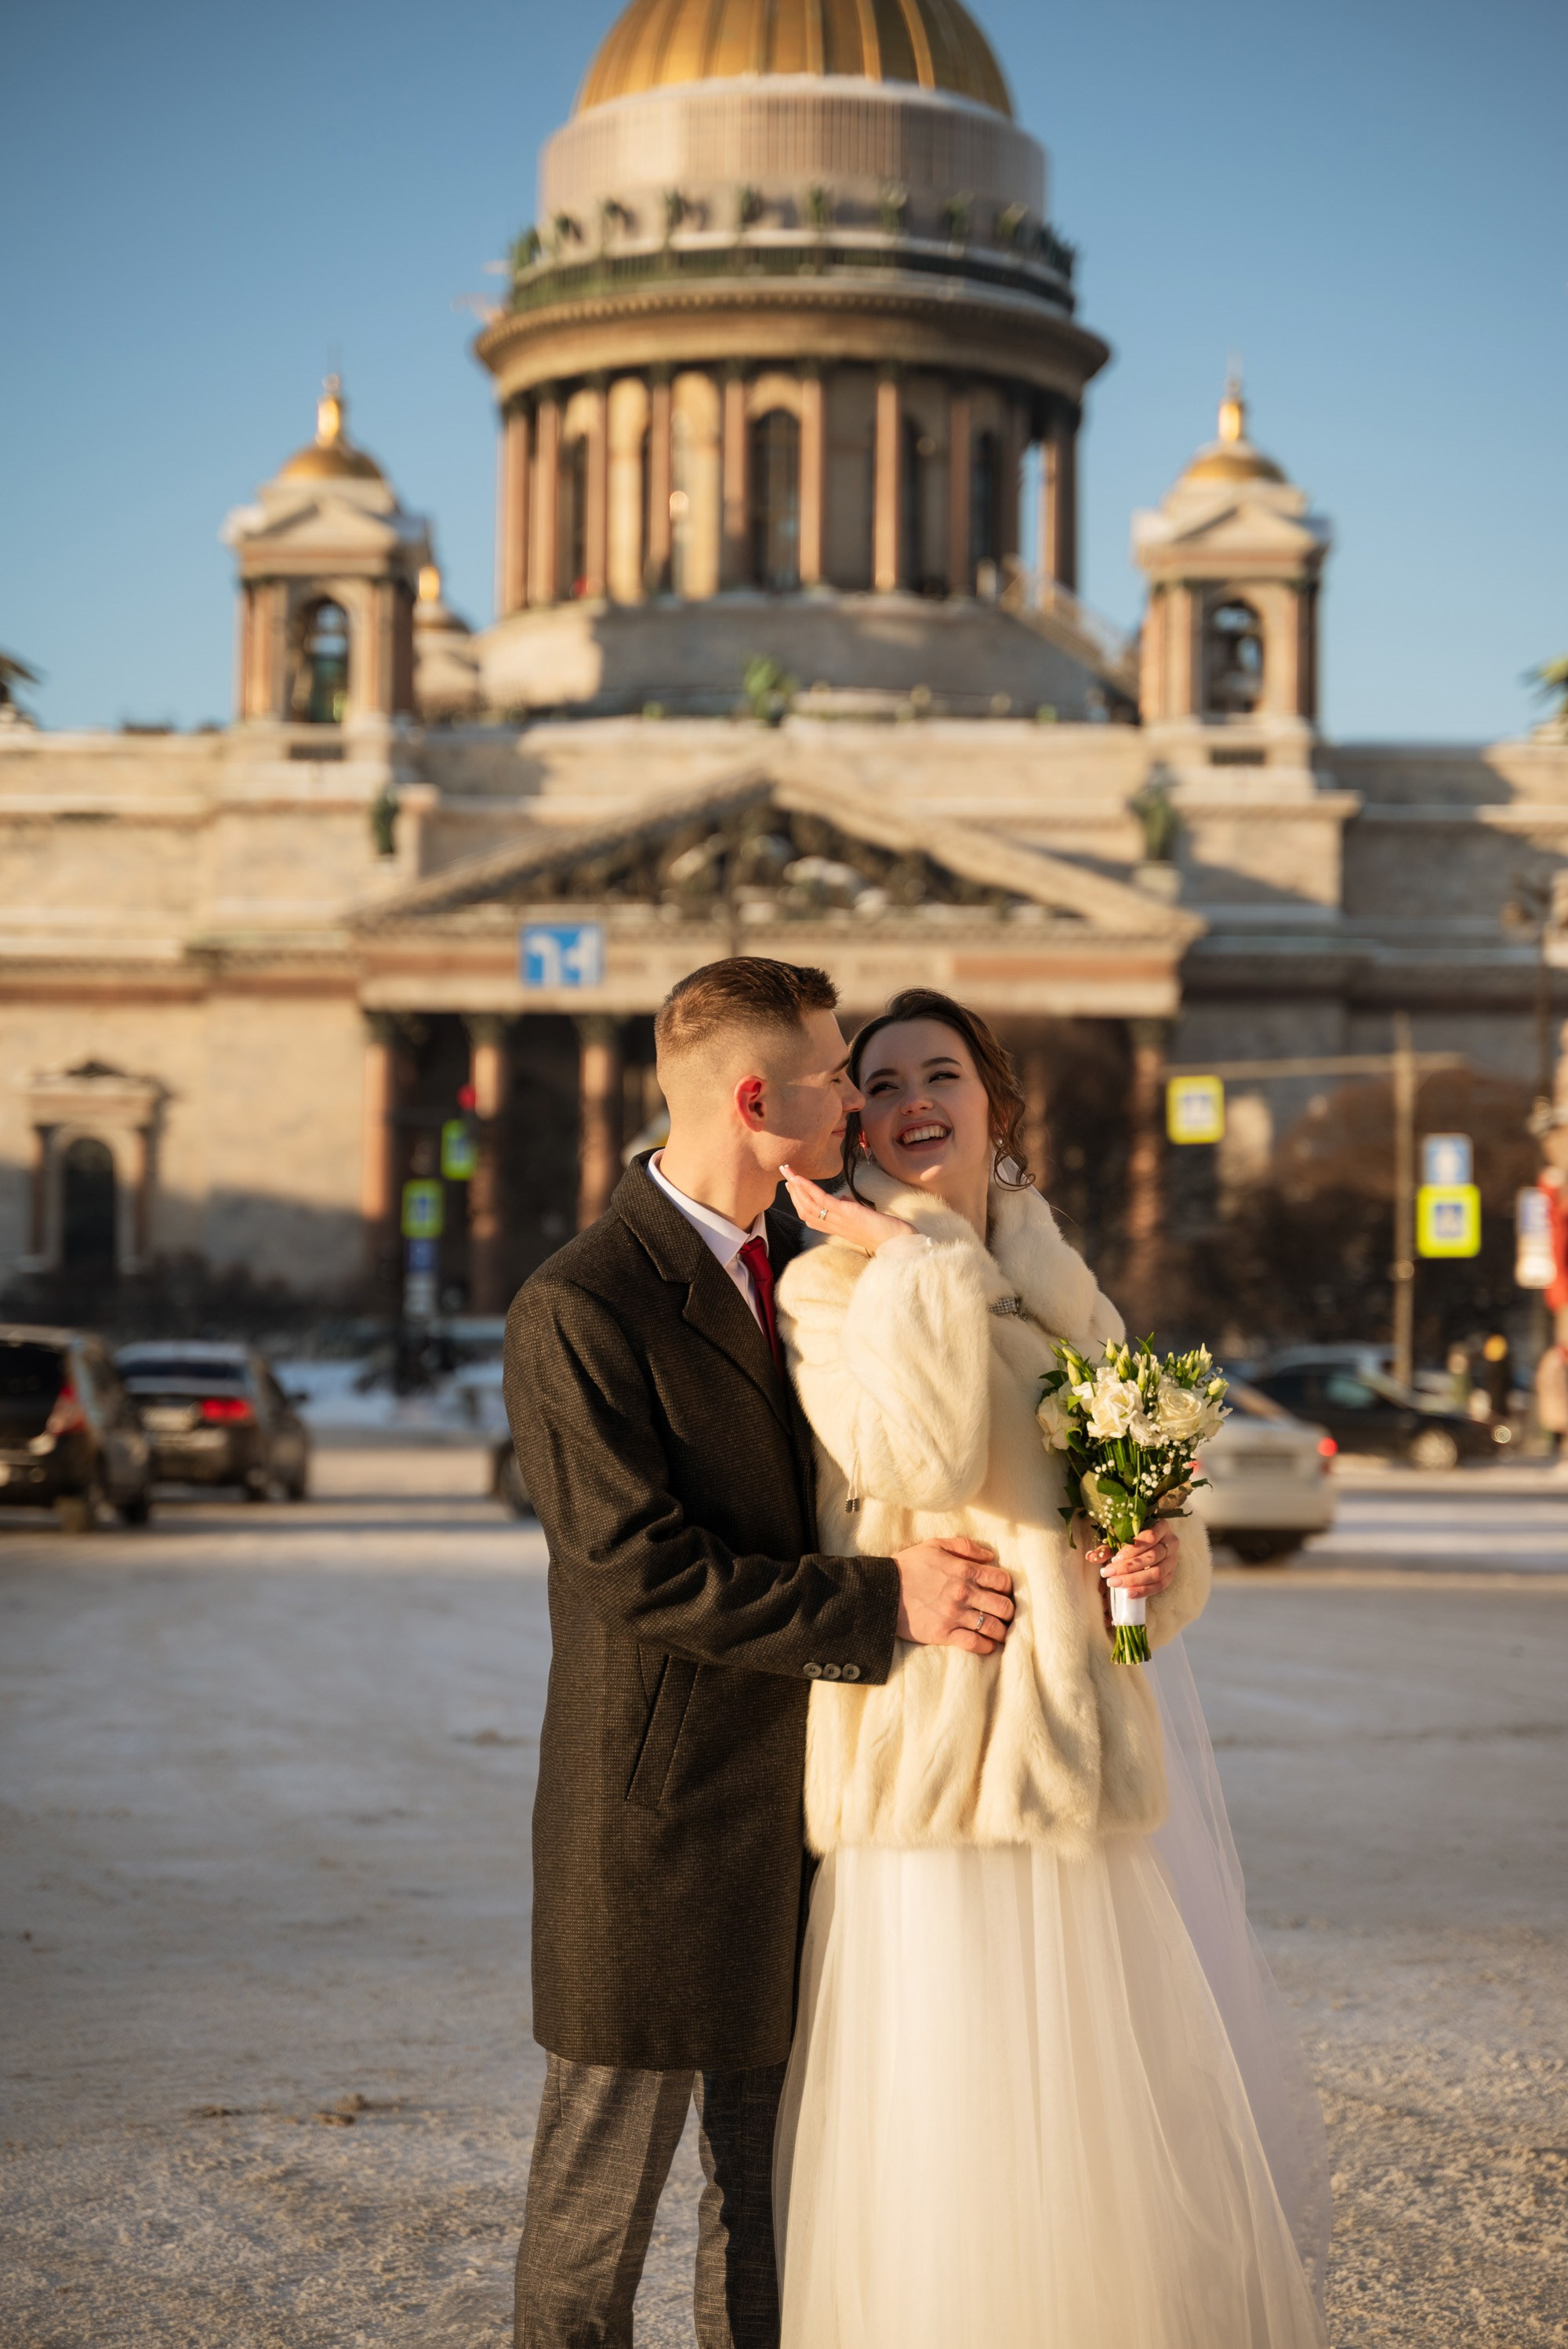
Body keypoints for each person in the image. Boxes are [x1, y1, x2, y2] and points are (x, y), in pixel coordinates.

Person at [775, 987, 1330, 2349]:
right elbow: (915, 1459)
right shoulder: (830, 1286)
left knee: (1101, 2150)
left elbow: (1140, 1556)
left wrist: (1148, 1568)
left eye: (942, 1073)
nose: (912, 1099)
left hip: (1081, 1768)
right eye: (882, 1079)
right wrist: (917, 1260)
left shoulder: (1064, 1283)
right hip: (941, 1769)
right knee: (954, 2150)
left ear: (994, 1106)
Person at [503, 957, 1029, 2349]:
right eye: (840, 1072)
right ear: (758, 1097)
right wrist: (881, 1607)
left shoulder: (812, 1256)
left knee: (776, 2213)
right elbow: (635, 1572)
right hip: (659, 1831)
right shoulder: (582, 1303)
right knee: (594, 2226)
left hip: (814, 1815)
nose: (863, 1096)